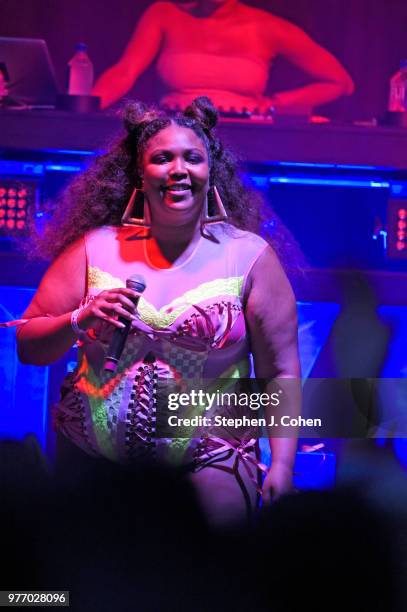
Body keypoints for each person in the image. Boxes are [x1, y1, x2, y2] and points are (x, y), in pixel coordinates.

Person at [17, 96, 301, 526]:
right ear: (140, 172)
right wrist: (81, 319)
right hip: (94, 463)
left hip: (213, 461)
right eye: (162, 158)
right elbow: (28, 346)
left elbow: (279, 372)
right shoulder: (94, 250)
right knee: (84, 589)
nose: (178, 170)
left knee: (198, 577)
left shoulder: (250, 258)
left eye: (193, 158)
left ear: (211, 171)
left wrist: (282, 465)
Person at [92, 0, 354, 113]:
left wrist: (279, 102)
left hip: (246, 145)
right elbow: (125, 72)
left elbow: (340, 82)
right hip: (175, 138)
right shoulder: (164, 14)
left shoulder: (269, 27)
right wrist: (84, 107)